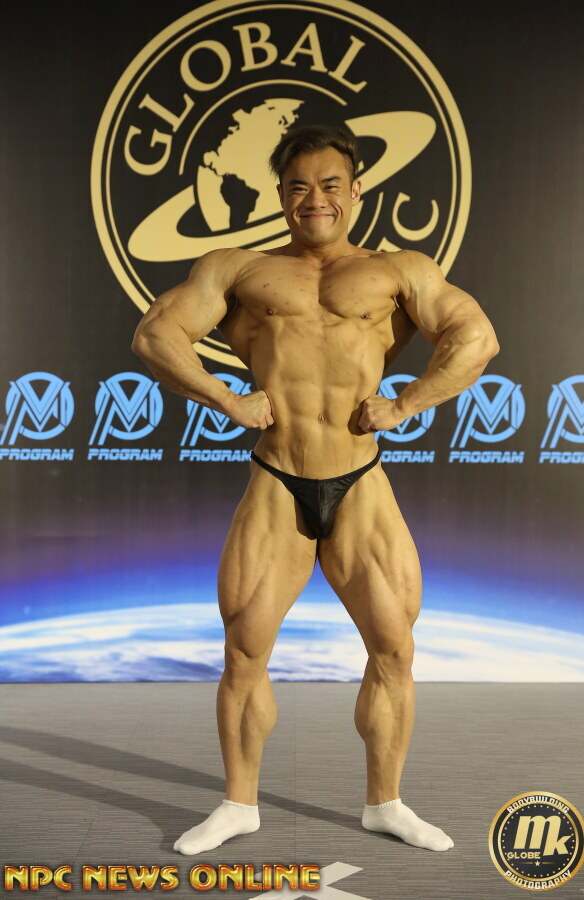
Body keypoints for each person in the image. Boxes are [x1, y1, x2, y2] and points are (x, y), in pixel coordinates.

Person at [131, 125, 500, 856]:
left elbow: (475, 337)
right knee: (244, 648)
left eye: (330, 184)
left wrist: (405, 404)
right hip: (277, 476)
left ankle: (385, 803)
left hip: (360, 479)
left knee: (394, 647)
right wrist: (227, 400)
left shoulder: (398, 271)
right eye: (298, 187)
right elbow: (155, 335)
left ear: (356, 190)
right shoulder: (240, 269)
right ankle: (238, 805)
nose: (315, 199)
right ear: (280, 196)